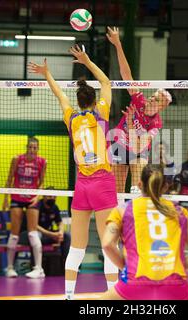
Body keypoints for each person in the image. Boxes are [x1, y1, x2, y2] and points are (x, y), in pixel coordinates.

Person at [28, 45, 119, 300]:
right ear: (94, 101)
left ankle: (68, 296)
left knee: (77, 248)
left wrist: (47, 74)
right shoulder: (101, 114)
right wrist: (87, 61)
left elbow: (60, 95)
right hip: (102, 184)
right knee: (108, 244)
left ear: (79, 101)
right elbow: (106, 82)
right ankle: (111, 295)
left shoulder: (71, 119)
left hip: (82, 186)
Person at [100, 164, 188, 300]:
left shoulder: (123, 210)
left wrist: (127, 268)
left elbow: (107, 244)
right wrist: (175, 267)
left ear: (139, 184)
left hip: (135, 282)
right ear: (165, 187)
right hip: (174, 284)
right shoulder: (181, 212)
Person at [106, 26, 172, 194]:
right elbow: (126, 75)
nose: (151, 98)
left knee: (136, 190)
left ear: (162, 106)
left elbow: (139, 145)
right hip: (121, 145)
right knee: (117, 193)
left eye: (156, 99)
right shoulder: (139, 101)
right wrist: (117, 44)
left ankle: (134, 219)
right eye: (153, 95)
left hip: (137, 150)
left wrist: (132, 125)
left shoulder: (156, 124)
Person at [2, 137, 47, 279]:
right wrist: (5, 198)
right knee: (14, 234)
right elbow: (9, 179)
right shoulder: (17, 159)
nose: (32, 150)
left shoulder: (42, 162)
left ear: (37, 149)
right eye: (30, 147)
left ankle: (38, 268)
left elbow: (42, 182)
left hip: (32, 199)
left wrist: (37, 196)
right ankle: (9, 268)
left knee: (32, 233)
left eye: (35, 148)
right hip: (16, 198)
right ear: (26, 147)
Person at [19, 187, 71, 265]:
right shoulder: (36, 206)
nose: (52, 198)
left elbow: (59, 223)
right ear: (44, 196)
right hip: (27, 235)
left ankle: (66, 264)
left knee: (66, 235)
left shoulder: (55, 207)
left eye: (54, 196)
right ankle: (35, 266)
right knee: (36, 236)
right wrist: (52, 235)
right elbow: (34, 226)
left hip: (45, 235)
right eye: (50, 196)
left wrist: (60, 233)